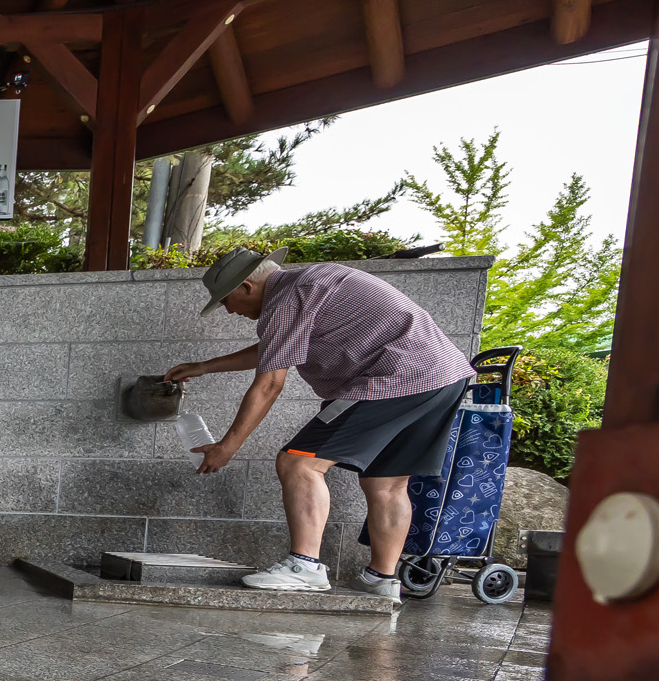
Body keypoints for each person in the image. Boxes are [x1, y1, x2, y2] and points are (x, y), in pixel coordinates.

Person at [166, 247, 478, 600]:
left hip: (393, 377)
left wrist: (227, 446)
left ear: (247, 286)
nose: (229, 310)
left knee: (298, 462)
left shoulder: (286, 299)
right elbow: (275, 348)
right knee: (387, 483)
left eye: (226, 300)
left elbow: (269, 384)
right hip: (443, 377)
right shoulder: (309, 283)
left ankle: (305, 566)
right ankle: (381, 578)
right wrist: (204, 366)